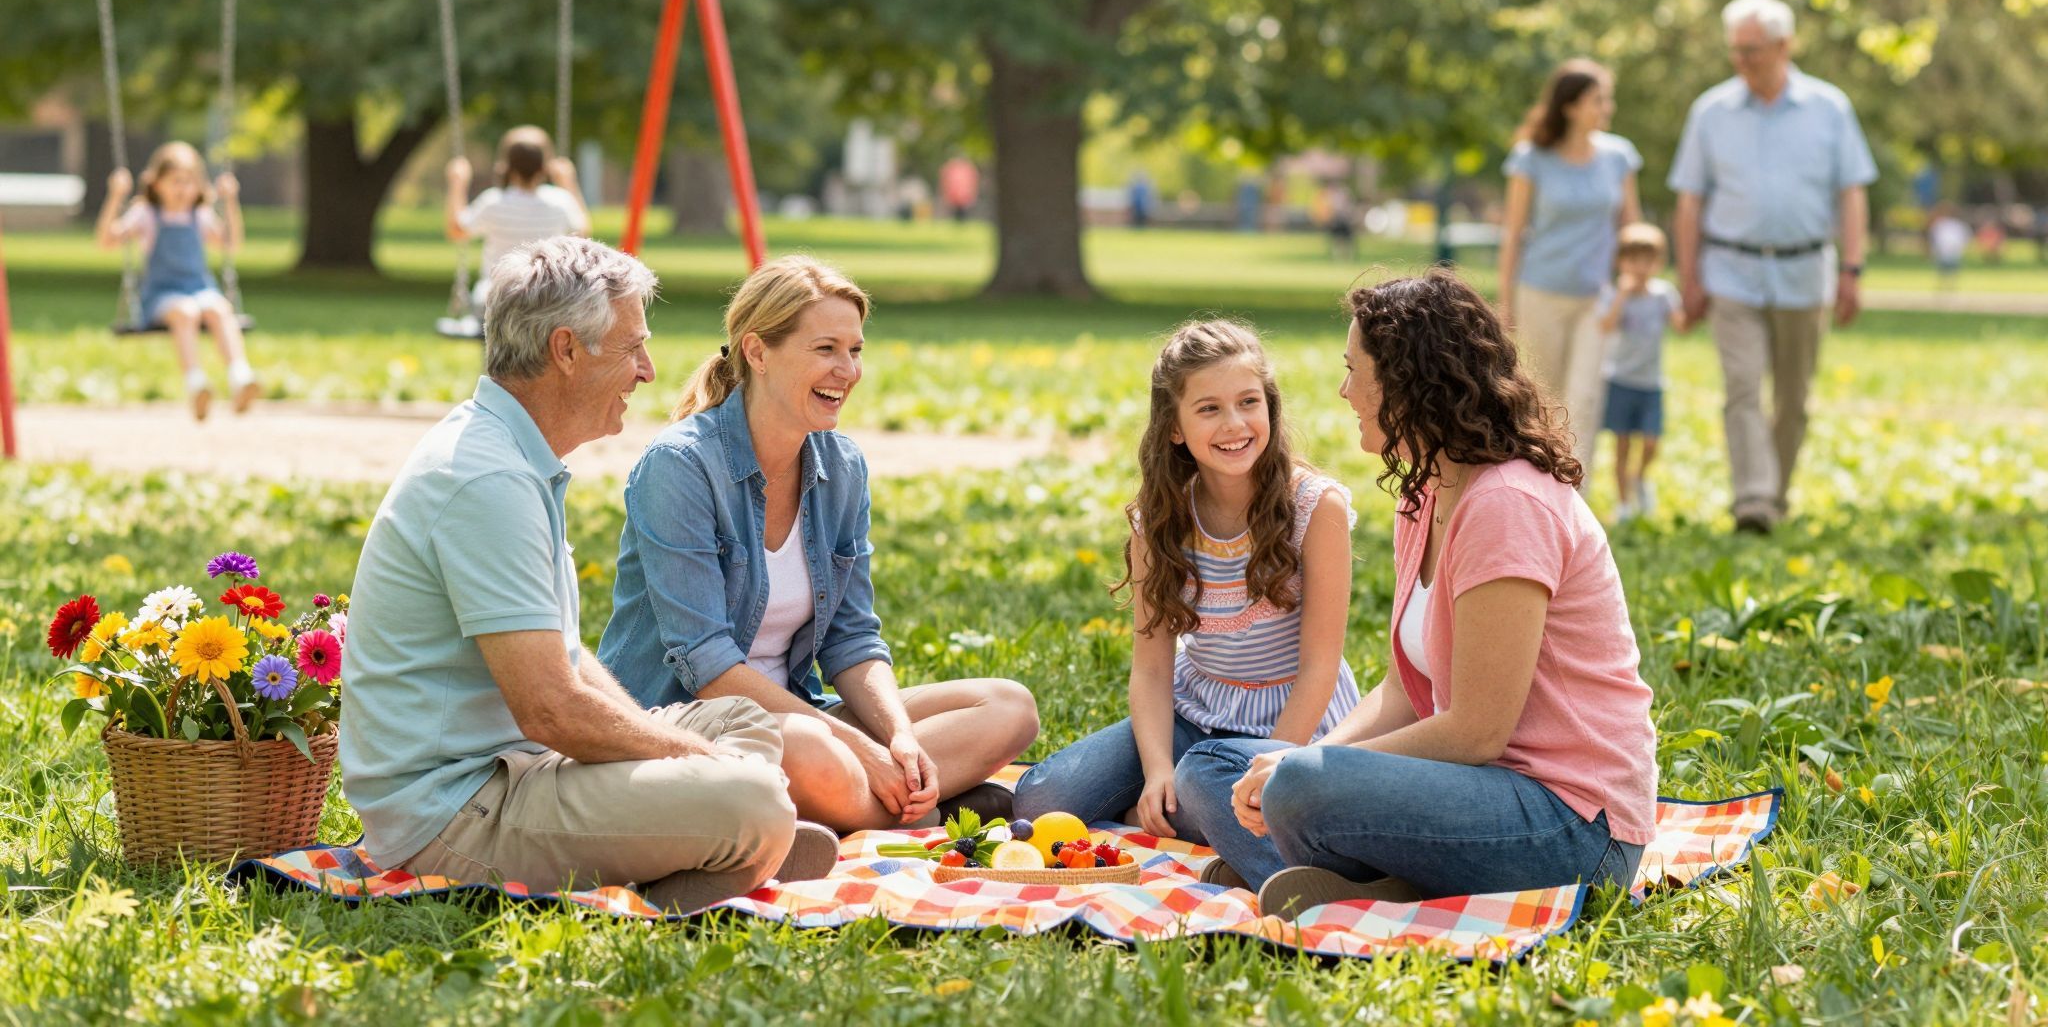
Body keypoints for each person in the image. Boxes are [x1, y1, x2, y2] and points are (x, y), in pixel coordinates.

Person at [339, 237, 834, 913]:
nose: (649, 371)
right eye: (631, 348)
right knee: (749, 796)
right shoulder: (486, 479)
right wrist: (684, 760)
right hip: (456, 815)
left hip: (520, 773)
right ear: (566, 351)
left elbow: (567, 664)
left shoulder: (511, 454)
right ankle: (723, 852)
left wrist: (671, 750)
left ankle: (720, 844)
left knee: (749, 722)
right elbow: (550, 708)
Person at [1174, 273, 1656, 918]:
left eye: (1355, 371)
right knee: (1212, 769)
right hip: (1467, 789)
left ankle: (1324, 875)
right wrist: (1298, 762)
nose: (1344, 391)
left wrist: (1308, 771)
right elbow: (1405, 693)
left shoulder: (1506, 505)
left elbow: (1478, 731)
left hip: (1569, 825)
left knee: (1292, 784)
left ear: (1406, 381)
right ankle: (1371, 884)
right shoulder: (1424, 495)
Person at [598, 258, 1039, 832]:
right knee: (811, 748)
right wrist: (861, 749)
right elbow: (707, 665)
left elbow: (851, 638)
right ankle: (919, 812)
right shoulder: (681, 467)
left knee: (1009, 708)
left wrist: (899, 737)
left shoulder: (842, 466)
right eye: (826, 349)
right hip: (682, 719)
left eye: (855, 350)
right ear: (757, 352)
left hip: (796, 713)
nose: (848, 371)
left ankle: (867, 806)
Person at [1014, 320, 1361, 841]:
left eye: (1248, 402)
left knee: (1244, 804)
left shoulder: (1316, 508)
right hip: (1195, 716)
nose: (1234, 424)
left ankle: (1177, 815)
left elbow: (1321, 666)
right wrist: (1156, 771)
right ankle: (1184, 809)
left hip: (1292, 724)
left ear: (1269, 407)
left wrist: (1270, 769)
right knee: (1042, 799)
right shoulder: (1157, 523)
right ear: (1174, 427)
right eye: (1209, 408)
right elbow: (1152, 670)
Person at [1670, 0, 1877, 534]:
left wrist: (1852, 270)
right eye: (1735, 50)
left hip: (1806, 273)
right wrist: (1688, 277)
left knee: (1793, 398)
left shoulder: (1829, 107)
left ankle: (1776, 493)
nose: (1741, 60)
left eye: (1752, 50)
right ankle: (1753, 500)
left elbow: (1852, 193)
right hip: (1730, 271)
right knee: (1741, 387)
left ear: (1785, 46)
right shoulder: (1711, 111)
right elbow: (1689, 200)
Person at [1495, 59, 1644, 480]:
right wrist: (1506, 303)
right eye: (1599, 99)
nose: (1607, 108)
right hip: (1540, 291)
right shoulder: (1531, 158)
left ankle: (1577, 494)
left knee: (1586, 397)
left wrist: (1632, 281)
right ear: (1571, 106)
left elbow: (1631, 226)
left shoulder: (1619, 156)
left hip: (1596, 297)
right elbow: (1513, 234)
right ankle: (1540, 484)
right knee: (1544, 398)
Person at [94, 141, 257, 420]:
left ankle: (240, 377)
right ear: (156, 184)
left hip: (200, 288)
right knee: (186, 311)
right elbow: (106, 241)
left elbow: (230, 242)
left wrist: (230, 201)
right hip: (161, 295)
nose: (183, 189)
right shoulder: (146, 214)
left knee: (220, 308)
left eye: (190, 182)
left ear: (199, 186)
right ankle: (197, 384)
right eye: (175, 182)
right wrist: (114, 196)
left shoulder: (200, 215)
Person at [444, 125, 591, 310]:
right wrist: (568, 181)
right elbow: (582, 234)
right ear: (545, 167)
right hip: (545, 297)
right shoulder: (560, 202)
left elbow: (457, 231)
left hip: (498, 296)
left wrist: (457, 183)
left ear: (506, 166)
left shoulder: (493, 202)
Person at [1598, 224, 1687, 522]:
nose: (1640, 267)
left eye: (1647, 260)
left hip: (1651, 383)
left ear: (1658, 263)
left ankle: (1640, 477)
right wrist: (1622, 296)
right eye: (1633, 259)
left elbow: (1680, 324)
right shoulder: (1614, 294)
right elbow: (1606, 326)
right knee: (1622, 444)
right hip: (1620, 379)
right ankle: (1623, 504)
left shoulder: (1663, 294)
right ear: (1620, 261)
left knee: (1651, 442)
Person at [1927, 202, 1969, 291]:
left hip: (1953, 250)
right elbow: (1936, 237)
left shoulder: (1956, 225)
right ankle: (1944, 285)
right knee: (1943, 269)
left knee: (1952, 269)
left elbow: (1963, 237)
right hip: (1944, 250)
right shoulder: (1941, 224)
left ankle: (1950, 285)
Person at [939, 156, 980, 223]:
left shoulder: (965, 169)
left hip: (961, 194)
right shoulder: (957, 169)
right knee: (957, 211)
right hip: (956, 194)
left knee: (962, 212)